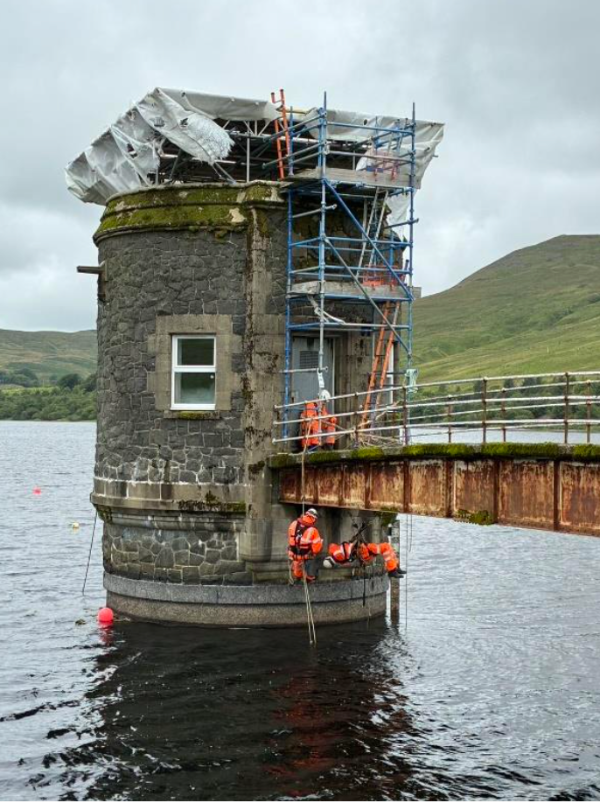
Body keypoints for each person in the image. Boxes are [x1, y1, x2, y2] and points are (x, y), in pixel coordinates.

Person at [323, 537, 405, 578]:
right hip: (364, 551)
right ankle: (393, 570)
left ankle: (395, 568)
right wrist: (359, 544)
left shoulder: (338, 557)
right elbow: (350, 552)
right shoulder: (338, 554)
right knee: (386, 547)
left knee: (387, 547)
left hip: (363, 551)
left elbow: (350, 553)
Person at [287, 508, 323, 583]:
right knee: (310, 571)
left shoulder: (294, 523)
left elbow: (290, 537)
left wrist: (293, 549)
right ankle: (309, 579)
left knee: (297, 570)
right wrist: (313, 552)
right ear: (314, 518)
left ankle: (297, 579)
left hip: (295, 553)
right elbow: (316, 547)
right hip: (307, 555)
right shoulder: (313, 530)